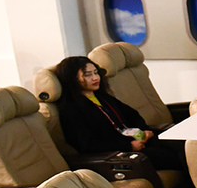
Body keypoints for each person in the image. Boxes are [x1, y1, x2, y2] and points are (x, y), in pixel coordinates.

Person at [52, 56, 185, 174]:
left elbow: (132, 114)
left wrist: (144, 131)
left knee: (184, 145)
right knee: (177, 156)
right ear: (72, 79)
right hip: (121, 153)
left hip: (137, 139)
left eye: (95, 72)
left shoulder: (102, 97)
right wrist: (129, 146)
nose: (95, 78)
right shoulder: (71, 110)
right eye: (87, 75)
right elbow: (88, 145)